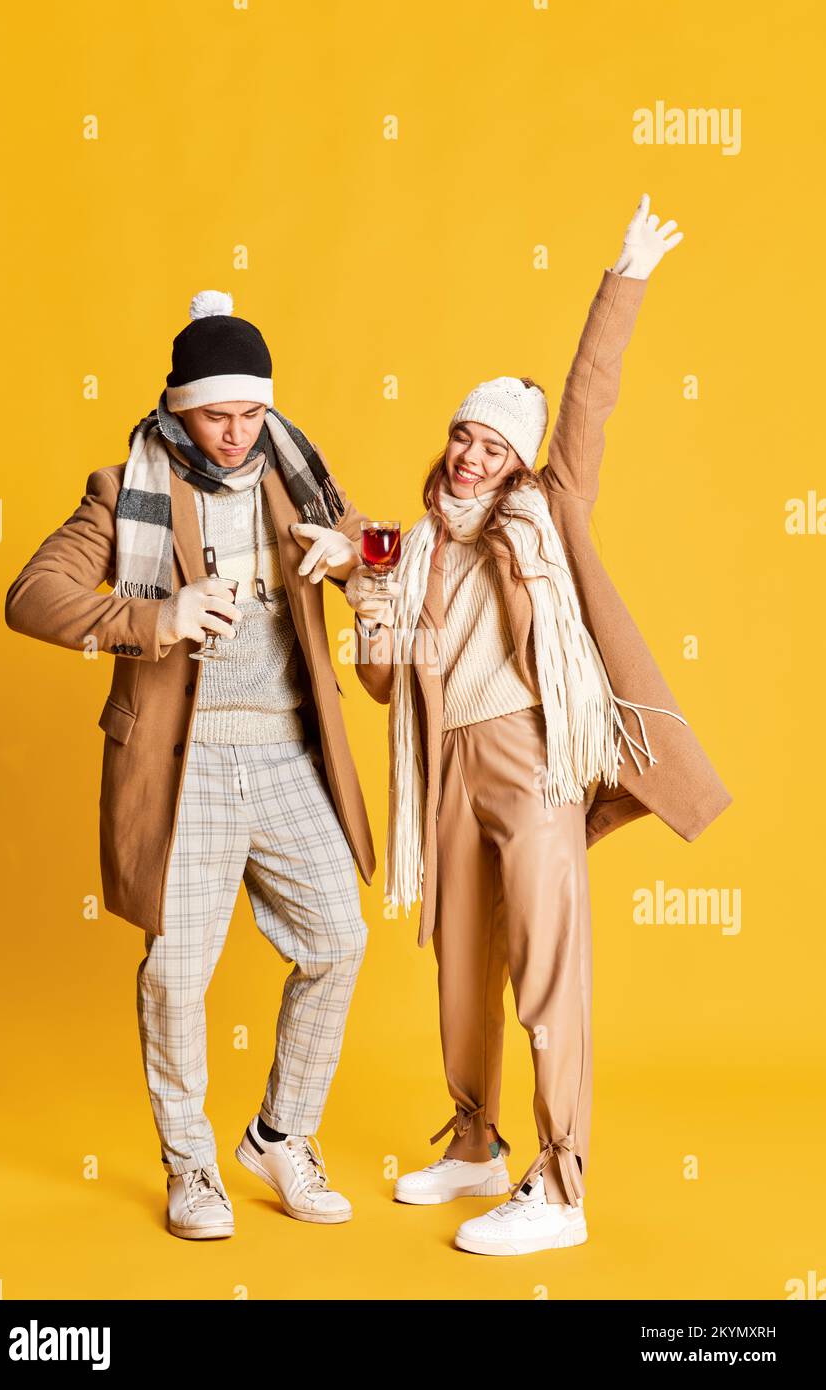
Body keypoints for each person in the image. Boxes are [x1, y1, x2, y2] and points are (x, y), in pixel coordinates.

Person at [346, 195, 732, 1256]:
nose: (470, 457)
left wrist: (626, 278)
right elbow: (387, 687)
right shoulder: (416, 548)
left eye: (490, 446)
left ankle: (559, 1187)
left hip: (533, 757)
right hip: (450, 768)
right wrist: (367, 598)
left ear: (519, 462)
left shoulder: (547, 512)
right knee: (461, 968)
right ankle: (473, 1141)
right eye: (462, 437)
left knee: (551, 971)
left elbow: (587, 405)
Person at [5, 290, 374, 1240]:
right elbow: (31, 596)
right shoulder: (121, 486)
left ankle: (280, 1136)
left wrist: (354, 558)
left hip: (289, 752)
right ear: (175, 405)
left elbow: (394, 560)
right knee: (175, 975)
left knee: (338, 938)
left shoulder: (299, 475)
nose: (236, 433)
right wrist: (151, 619)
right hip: (188, 763)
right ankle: (192, 1167)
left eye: (252, 412)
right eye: (217, 413)